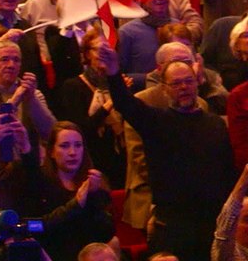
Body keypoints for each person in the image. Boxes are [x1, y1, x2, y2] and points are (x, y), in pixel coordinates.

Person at [98, 42, 235, 260]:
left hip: (211, 226)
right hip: (173, 228)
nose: (184, 87)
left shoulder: (216, 124)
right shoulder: (156, 122)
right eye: (176, 83)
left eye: (189, 81)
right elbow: (125, 103)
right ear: (164, 88)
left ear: (197, 84)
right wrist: (114, 73)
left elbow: (228, 172)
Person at [13, 121, 113, 261]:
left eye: (78, 145)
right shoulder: (39, 181)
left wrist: (94, 197)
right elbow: (34, 226)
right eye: (64, 146)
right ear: (52, 152)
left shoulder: (94, 182)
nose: (73, 152)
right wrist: (75, 205)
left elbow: (106, 233)